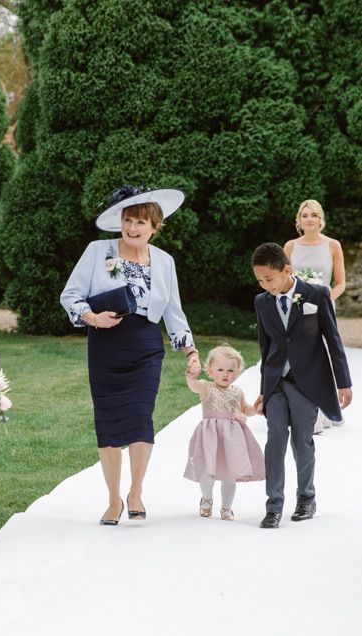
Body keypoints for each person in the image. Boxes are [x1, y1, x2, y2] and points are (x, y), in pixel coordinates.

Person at [60, 186, 200, 525]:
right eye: (127, 220)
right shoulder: (98, 251)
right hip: (106, 345)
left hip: (145, 346)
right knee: (107, 423)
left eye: (140, 222)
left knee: (140, 418)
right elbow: (71, 295)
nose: (132, 228)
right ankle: (112, 500)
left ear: (154, 226)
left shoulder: (165, 261)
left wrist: (190, 351)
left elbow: (173, 311)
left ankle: (135, 492)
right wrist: (92, 317)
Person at [251, 242, 352, 529]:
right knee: (275, 441)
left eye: (269, 279)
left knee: (302, 441)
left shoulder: (317, 295)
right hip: (276, 383)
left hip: (307, 382)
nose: (265, 285)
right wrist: (263, 389)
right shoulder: (262, 302)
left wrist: (342, 383)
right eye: (259, 280)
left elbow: (333, 341)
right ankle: (273, 506)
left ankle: (306, 499)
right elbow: (265, 348)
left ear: (287, 270)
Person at [284, 199, 347, 432]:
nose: (310, 219)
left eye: (314, 215)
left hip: (323, 309)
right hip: (296, 309)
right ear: (299, 220)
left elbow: (340, 283)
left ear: (321, 219)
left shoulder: (333, 245)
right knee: (298, 357)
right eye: (305, 215)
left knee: (321, 357)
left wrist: (325, 298)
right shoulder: (290, 246)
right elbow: (284, 279)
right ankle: (296, 408)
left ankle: (323, 410)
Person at [183, 345, 265, 521]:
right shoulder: (206, 387)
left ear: (237, 373)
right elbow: (193, 386)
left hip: (232, 439)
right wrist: (190, 376)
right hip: (210, 438)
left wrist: (253, 410)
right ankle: (206, 499)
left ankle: (226, 508)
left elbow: (246, 408)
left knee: (230, 474)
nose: (225, 374)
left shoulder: (237, 392)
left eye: (230, 370)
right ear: (211, 371)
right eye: (220, 370)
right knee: (207, 470)